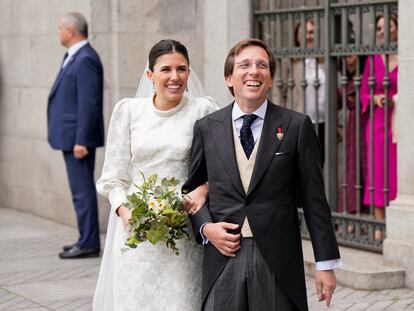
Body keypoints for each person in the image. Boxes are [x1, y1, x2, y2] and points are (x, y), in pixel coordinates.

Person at [183, 38, 341, 311]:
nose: (253, 71)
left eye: (262, 66)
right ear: (229, 78)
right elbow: (193, 189)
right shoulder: (207, 128)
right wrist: (206, 228)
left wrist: (325, 263)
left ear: (270, 79)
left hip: (277, 261)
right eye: (244, 65)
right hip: (223, 257)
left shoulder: (296, 126)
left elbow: (315, 200)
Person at [93, 39, 218, 311]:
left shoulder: (203, 111)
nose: (175, 77)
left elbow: (222, 167)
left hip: (183, 233)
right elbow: (112, 178)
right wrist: (125, 212)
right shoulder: (128, 111)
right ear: (150, 75)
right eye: (166, 69)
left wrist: (204, 188)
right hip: (137, 234)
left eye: (182, 69)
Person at [47, 12, 104, 259]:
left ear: (71, 31)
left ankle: (89, 242)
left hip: (78, 140)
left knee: (83, 191)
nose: (59, 33)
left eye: (60, 29)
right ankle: (85, 238)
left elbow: (88, 103)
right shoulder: (73, 57)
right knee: (78, 191)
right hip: (70, 137)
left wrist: (82, 139)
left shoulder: (85, 59)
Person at [360, 14, 398, 240]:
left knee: (395, 171)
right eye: (380, 28)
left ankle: (395, 222)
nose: (383, 32)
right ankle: (378, 222)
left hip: (399, 120)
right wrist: (374, 99)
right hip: (377, 122)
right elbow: (364, 91)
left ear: (397, 29)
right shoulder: (373, 59)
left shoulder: (406, 57)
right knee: (377, 170)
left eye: (388, 27)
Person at [280, 18, 326, 165]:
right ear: (297, 36)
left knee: (319, 163)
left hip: (322, 122)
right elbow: (281, 92)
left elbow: (333, 93)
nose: (308, 36)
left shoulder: (324, 60)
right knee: (300, 165)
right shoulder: (290, 61)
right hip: (299, 122)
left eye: (311, 32)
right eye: (304, 33)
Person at [337, 54, 368, 216]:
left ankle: (368, 211)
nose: (348, 61)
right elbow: (335, 103)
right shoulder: (344, 81)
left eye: (350, 57)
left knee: (367, 164)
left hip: (367, 122)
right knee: (353, 165)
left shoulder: (368, 76)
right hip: (352, 127)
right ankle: (352, 210)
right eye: (345, 58)